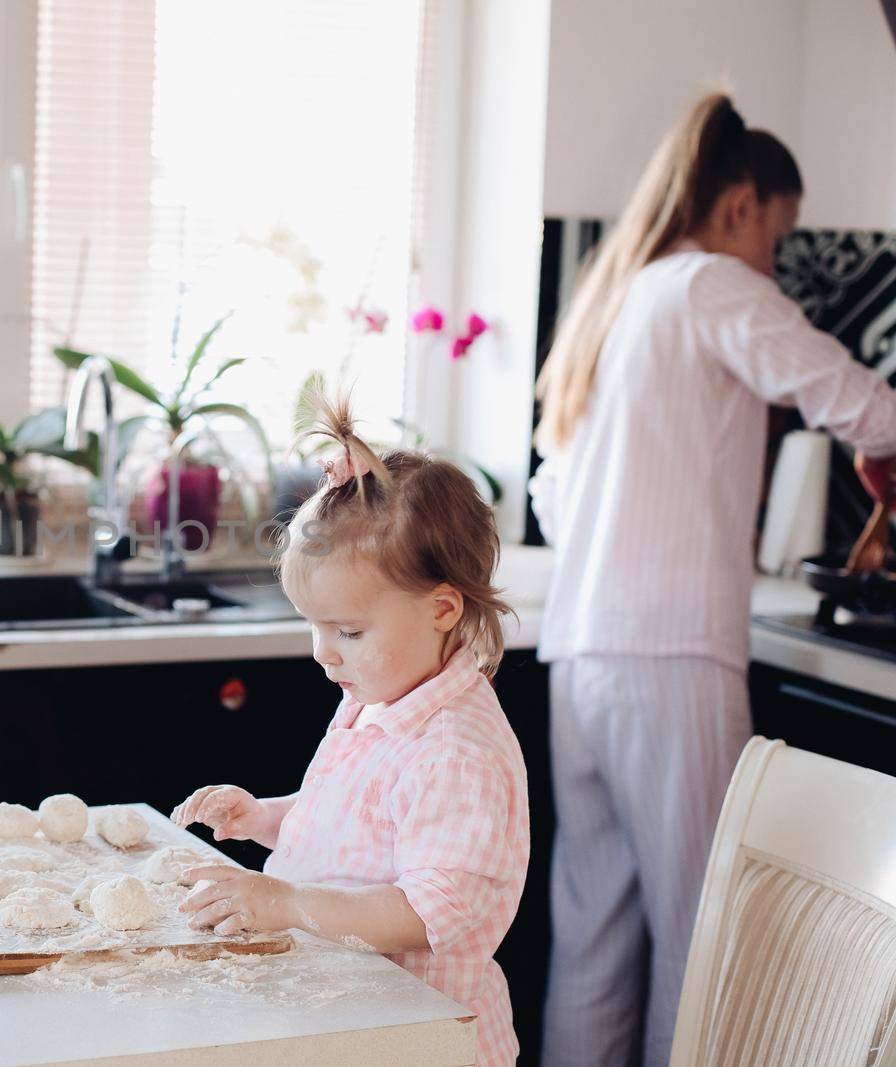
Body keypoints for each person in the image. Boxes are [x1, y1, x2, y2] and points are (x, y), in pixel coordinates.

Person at [530, 92, 896, 1067]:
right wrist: (879, 440)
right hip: (670, 656)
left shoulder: (618, 297)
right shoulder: (707, 287)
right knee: (701, 934)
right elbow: (857, 398)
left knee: (591, 937)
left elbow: (551, 490)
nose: (772, 265)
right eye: (775, 239)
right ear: (738, 204)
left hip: (581, 652)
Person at [174, 386, 530, 1066]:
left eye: (349, 629)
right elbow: (355, 824)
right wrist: (266, 817)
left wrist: (285, 902)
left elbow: (425, 915)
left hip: (420, 1042)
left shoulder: (456, 754)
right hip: (349, 1022)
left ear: (442, 608)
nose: (322, 651)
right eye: (314, 625)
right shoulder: (376, 695)